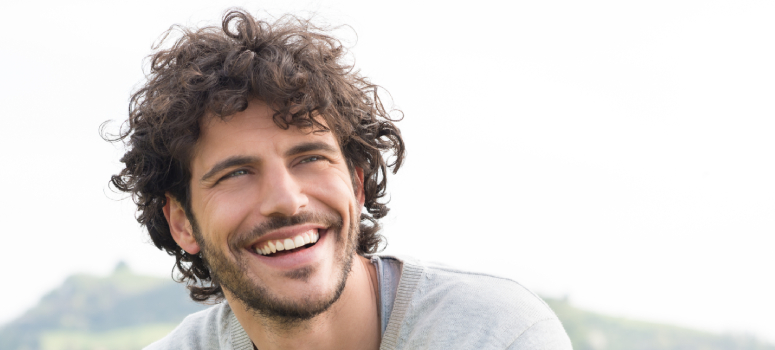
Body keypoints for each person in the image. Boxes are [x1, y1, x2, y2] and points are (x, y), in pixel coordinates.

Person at [107, 9, 572, 350]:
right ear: (182, 222)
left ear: (356, 182)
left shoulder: (496, 334)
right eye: (237, 173)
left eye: (309, 158)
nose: (286, 201)